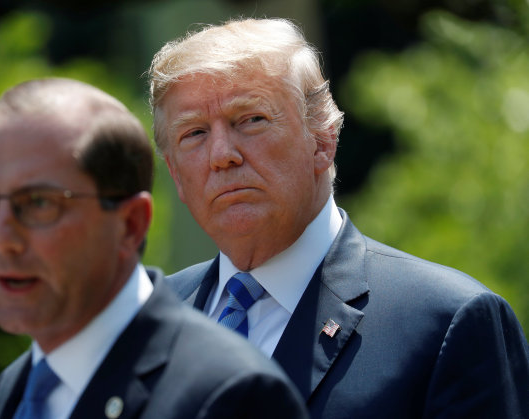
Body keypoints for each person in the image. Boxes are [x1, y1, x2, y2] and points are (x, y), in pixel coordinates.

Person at [148, 18, 529, 417]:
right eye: (194, 133)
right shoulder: (148, 323)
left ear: (323, 140)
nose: (221, 154)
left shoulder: (447, 323)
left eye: (250, 119)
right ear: (175, 173)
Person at [0, 77, 308, 419]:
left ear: (130, 224)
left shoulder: (231, 395)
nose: (0, 240)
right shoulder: (14, 388)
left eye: (39, 203)